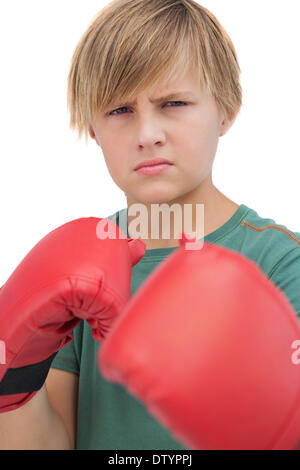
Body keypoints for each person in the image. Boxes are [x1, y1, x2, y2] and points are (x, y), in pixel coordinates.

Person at [0, 0, 299, 450]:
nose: (147, 134)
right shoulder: (79, 270)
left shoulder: (282, 263)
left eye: (173, 103)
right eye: (120, 110)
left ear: (227, 109)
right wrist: (13, 381)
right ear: (93, 129)